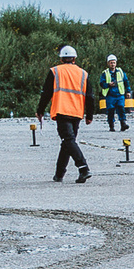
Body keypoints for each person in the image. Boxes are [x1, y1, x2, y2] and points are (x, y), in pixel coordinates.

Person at [40, 45, 93, 184]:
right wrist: (89, 115)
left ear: (61, 59)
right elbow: (90, 96)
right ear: (74, 58)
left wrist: (40, 110)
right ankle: (59, 174)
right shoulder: (83, 73)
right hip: (77, 112)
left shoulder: (55, 71)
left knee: (68, 141)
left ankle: (83, 168)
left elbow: (46, 93)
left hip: (62, 110)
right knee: (67, 142)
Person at [98, 54, 132, 132]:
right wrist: (108, 84)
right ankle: (111, 126)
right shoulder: (105, 73)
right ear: (108, 63)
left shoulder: (120, 72)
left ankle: (123, 124)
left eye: (114, 63)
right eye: (111, 63)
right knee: (110, 110)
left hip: (120, 94)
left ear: (116, 63)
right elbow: (102, 84)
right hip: (110, 95)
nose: (112, 64)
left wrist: (128, 91)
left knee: (121, 108)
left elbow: (126, 82)